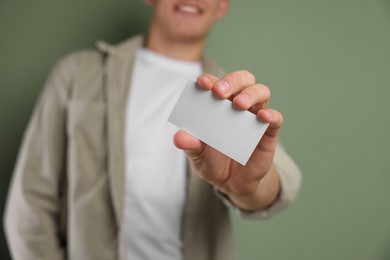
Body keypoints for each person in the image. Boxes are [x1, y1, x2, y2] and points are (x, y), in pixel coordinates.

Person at [4, 0, 302, 259]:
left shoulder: (229, 98)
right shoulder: (77, 75)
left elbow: (284, 180)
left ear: (222, 5)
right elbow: (29, 207)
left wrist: (247, 187)